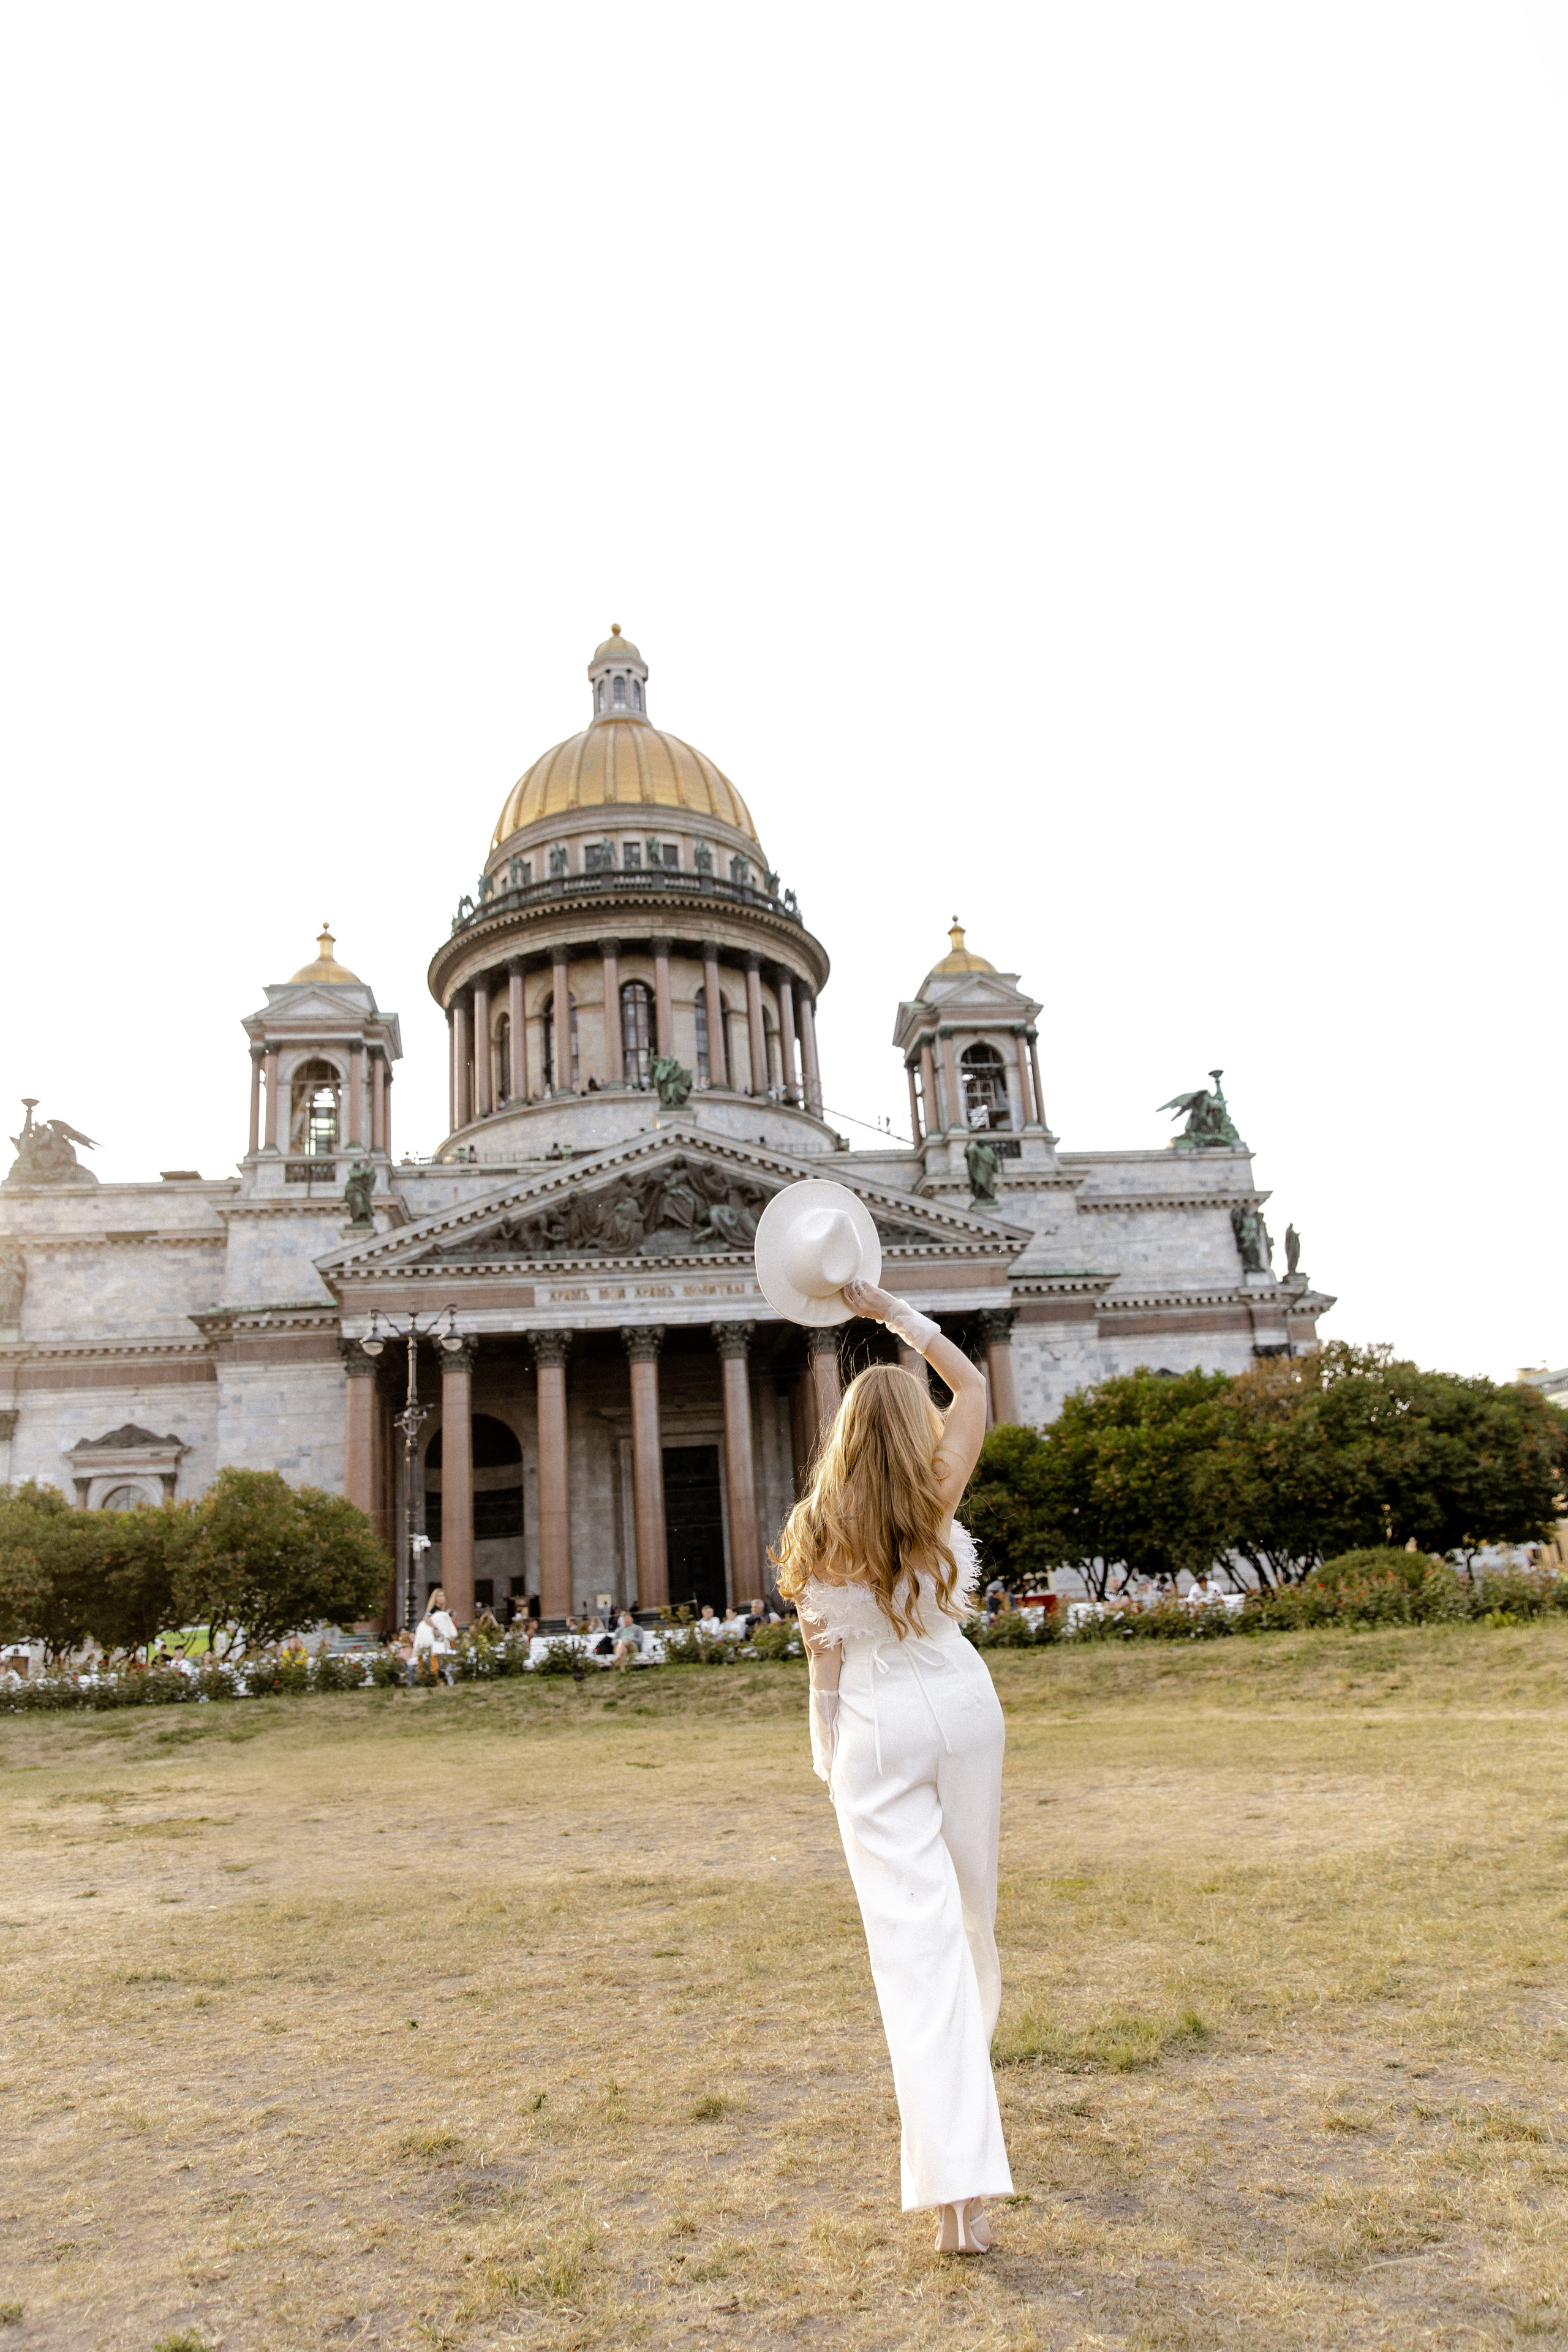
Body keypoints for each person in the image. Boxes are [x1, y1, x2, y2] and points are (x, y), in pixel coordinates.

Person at [773, 1275, 1011, 2257]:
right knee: (970, 1924)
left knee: (915, 1956)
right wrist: (888, 1315)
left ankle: (957, 2190)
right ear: (914, 1426)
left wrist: (829, 1757)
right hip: (960, 1701)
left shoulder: (816, 1530)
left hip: (874, 1722)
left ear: (837, 1433)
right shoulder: (935, 1486)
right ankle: (973, 2171)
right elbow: (975, 1387)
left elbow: (823, 1669)